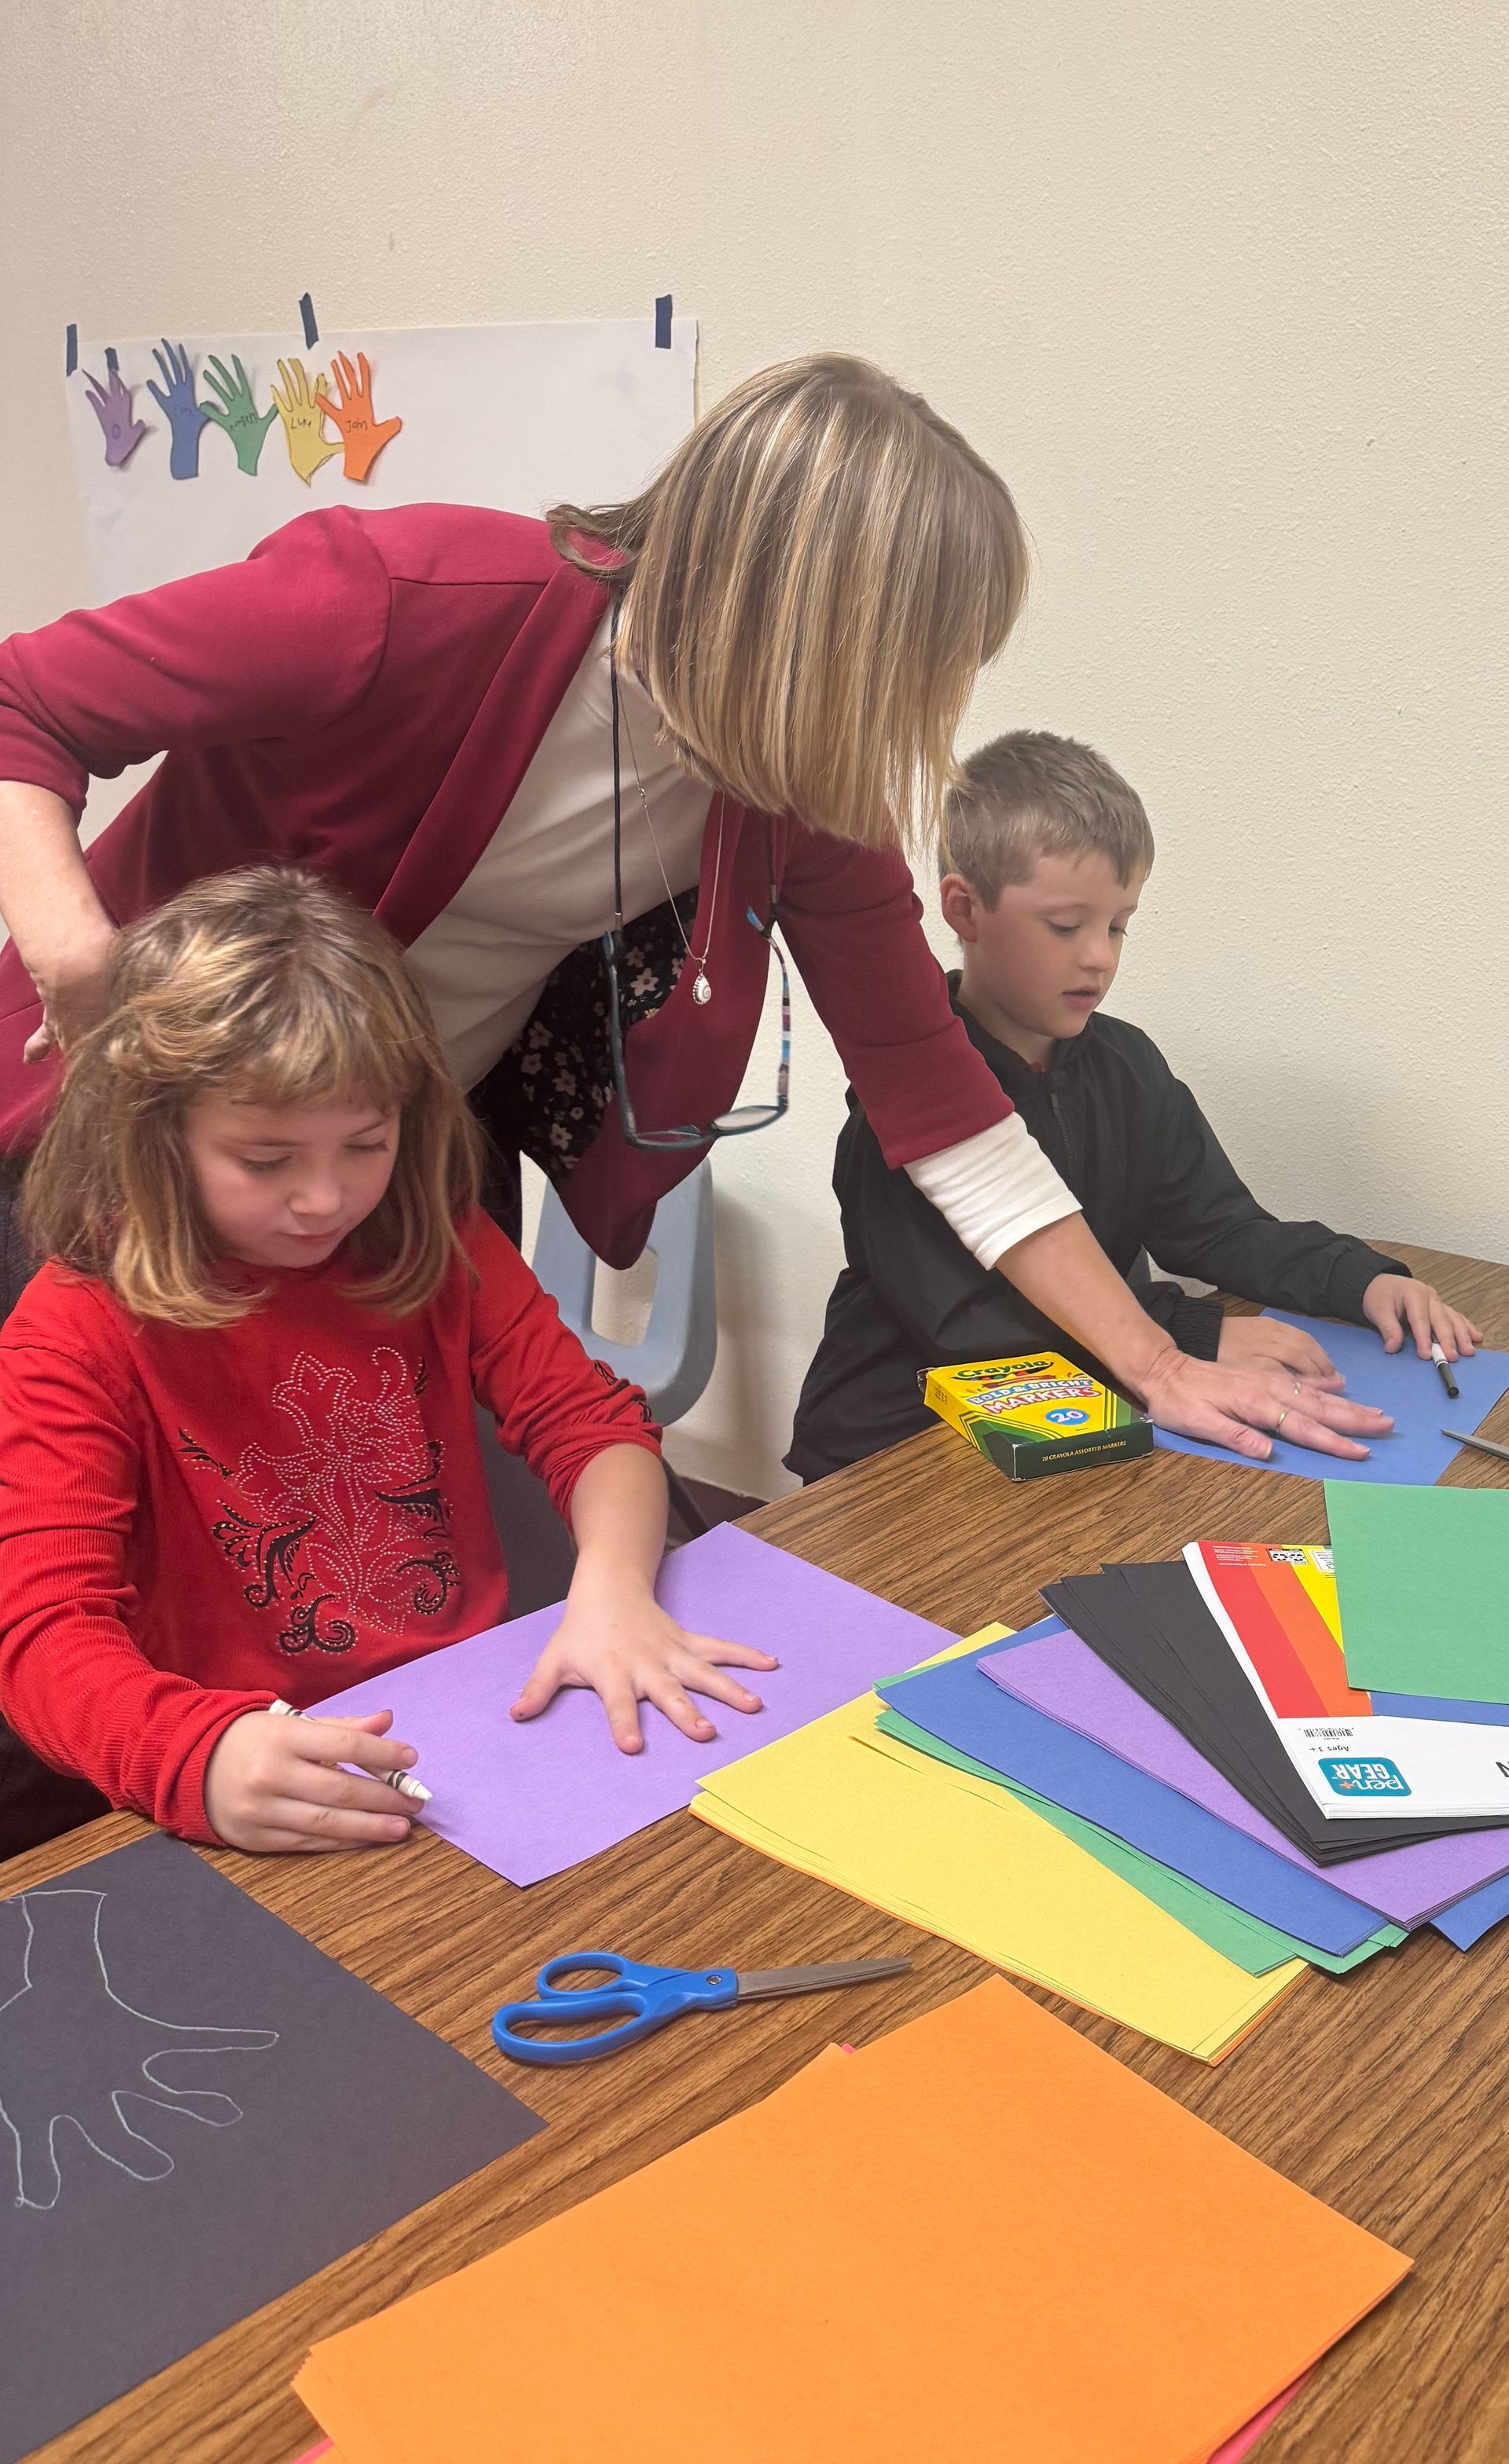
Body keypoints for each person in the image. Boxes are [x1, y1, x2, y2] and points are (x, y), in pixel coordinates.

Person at [0, 354, 1386, 1468]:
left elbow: (943, 1103)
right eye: (914, 666)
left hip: (393, 1152)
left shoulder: (796, 792)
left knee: (389, 1532)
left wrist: (1159, 1365)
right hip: (114, 1115)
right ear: (806, 625)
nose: (919, 714)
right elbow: (26, 700)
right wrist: (75, 958)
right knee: (90, 1523)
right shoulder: (403, 600)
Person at [0, 869, 777, 1861]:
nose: (325, 1199)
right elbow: (42, 1631)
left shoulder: (433, 1238)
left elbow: (596, 1427)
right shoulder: (73, 1329)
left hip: (472, 1731)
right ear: (153, 1135)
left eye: (364, 1144)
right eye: (267, 1160)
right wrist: (195, 1756)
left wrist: (615, 1590)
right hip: (250, 1784)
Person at [788, 732, 1479, 1481]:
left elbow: (1217, 1227)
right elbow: (968, 1329)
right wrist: (1189, 1330)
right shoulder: (901, 1107)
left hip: (1086, 1415)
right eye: (1066, 926)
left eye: (1119, 925)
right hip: (892, 1449)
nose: (1100, 956)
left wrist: (1362, 1280)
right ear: (965, 909)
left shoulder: (1128, 1065)